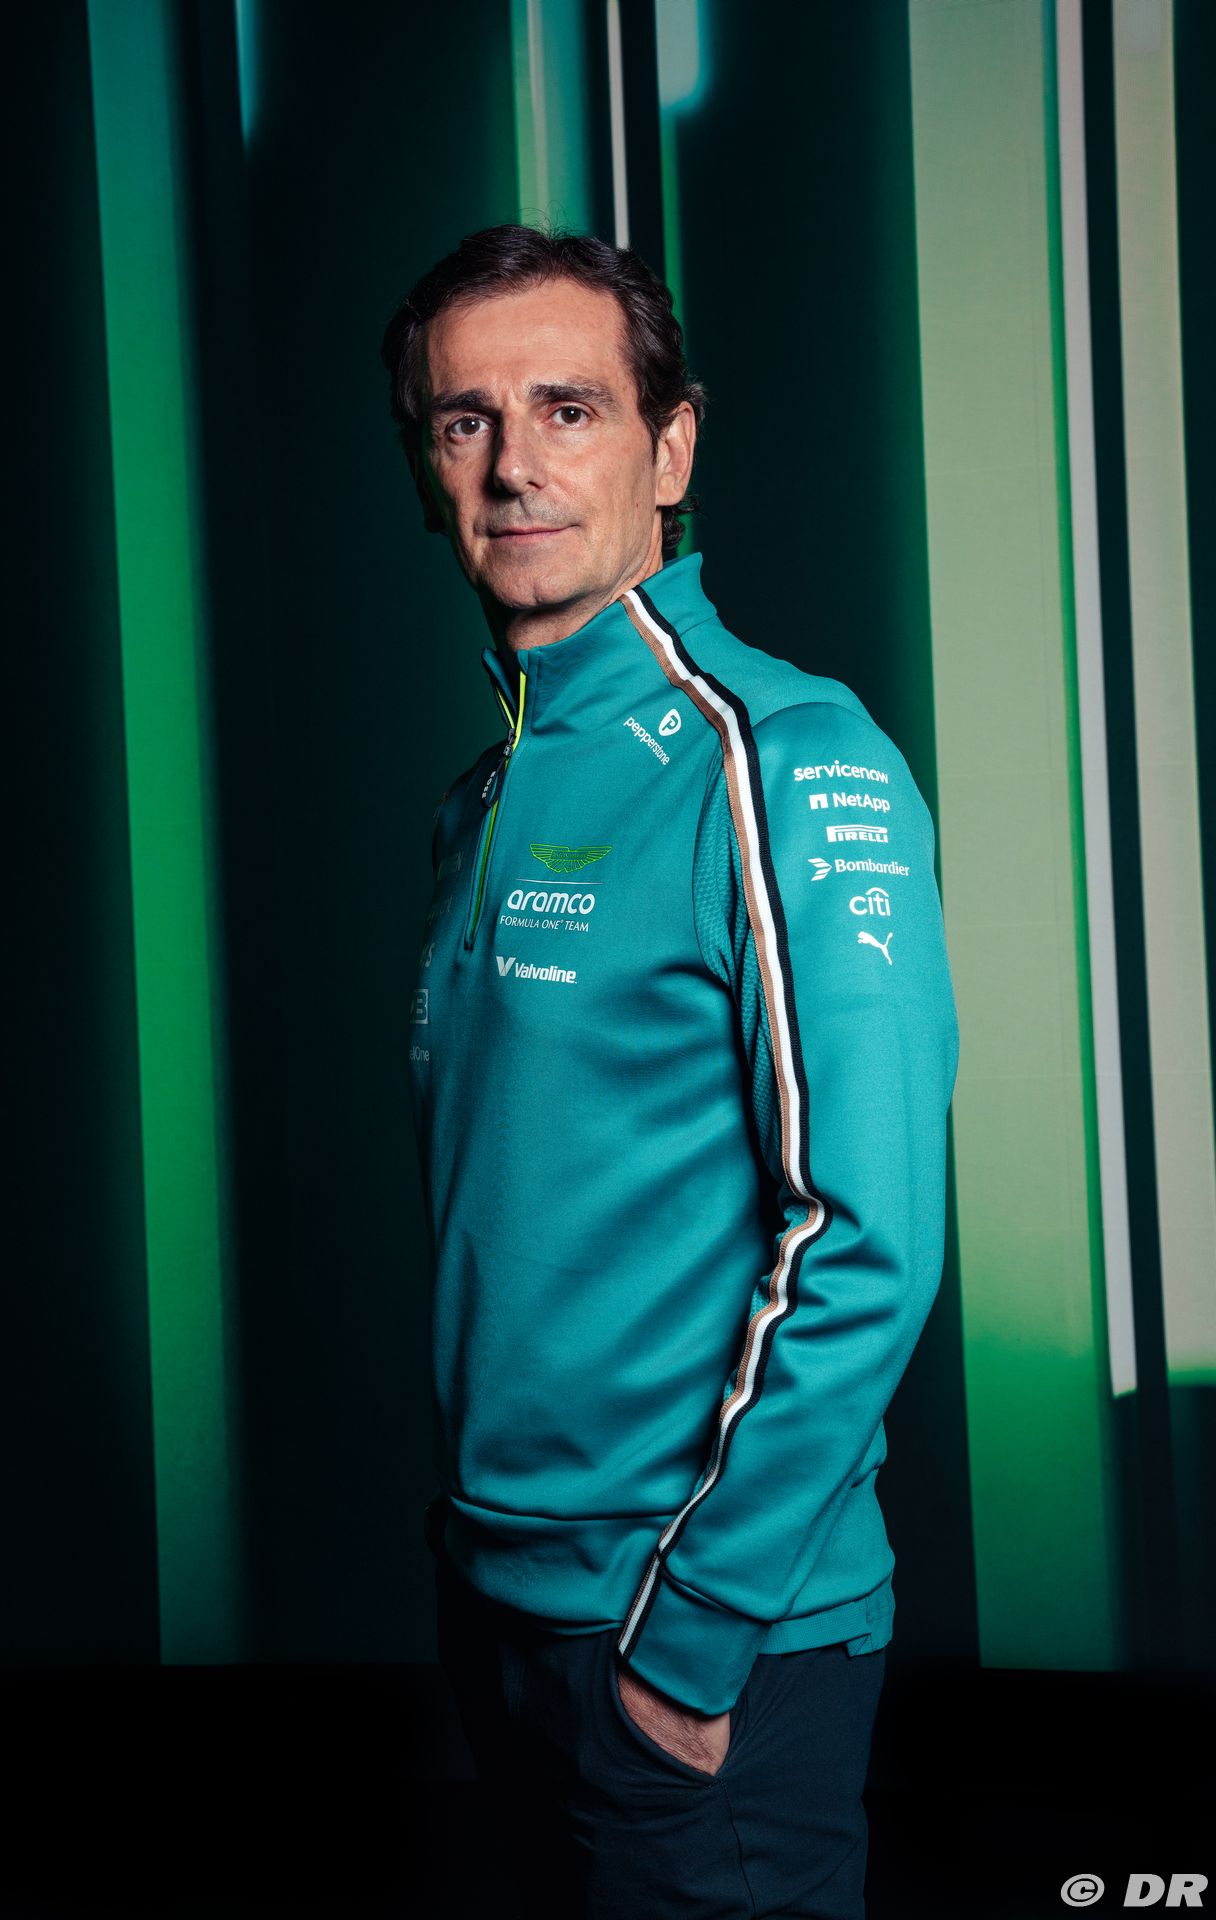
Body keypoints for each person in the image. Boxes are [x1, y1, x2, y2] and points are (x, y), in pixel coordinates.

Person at [381, 224, 958, 1919]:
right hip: (503, 1614)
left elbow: (867, 1235)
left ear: (672, 446)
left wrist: (688, 1642)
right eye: (466, 420)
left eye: (568, 408)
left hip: (701, 1644)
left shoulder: (781, 756)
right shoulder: (483, 795)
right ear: (427, 466)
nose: (515, 464)